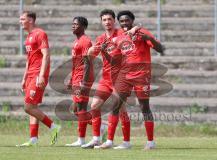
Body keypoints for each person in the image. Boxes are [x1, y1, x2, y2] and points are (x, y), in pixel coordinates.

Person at [98, 10, 164, 150]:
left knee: (144, 107)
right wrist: (104, 52)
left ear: (132, 20)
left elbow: (160, 49)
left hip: (142, 75)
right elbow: (114, 60)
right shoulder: (120, 37)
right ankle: (111, 141)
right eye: (121, 21)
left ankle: (151, 142)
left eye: (127, 20)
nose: (124, 23)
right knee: (115, 105)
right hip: (125, 75)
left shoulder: (142, 33)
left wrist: (149, 39)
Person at [81, 9, 137, 149]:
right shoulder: (100, 39)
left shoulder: (122, 34)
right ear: (101, 22)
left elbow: (129, 51)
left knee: (119, 108)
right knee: (94, 105)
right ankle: (96, 138)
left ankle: (121, 142)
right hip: (106, 79)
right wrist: (89, 52)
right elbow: (91, 57)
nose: (107, 22)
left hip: (121, 78)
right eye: (104, 20)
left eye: (110, 19)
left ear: (114, 21)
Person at [16, 11, 61, 147]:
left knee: (28, 107)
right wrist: (24, 78)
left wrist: (41, 75)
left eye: (22, 19)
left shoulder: (40, 33)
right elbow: (28, 60)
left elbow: (46, 55)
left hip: (37, 75)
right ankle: (33, 139)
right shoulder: (28, 37)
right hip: (30, 75)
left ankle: (54, 127)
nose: (20, 21)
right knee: (33, 107)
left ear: (31, 20)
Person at [64, 16, 94, 147]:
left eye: (76, 24)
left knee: (81, 108)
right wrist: (71, 79)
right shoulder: (77, 41)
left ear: (83, 26)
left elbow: (87, 63)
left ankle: (81, 140)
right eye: (72, 24)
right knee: (76, 110)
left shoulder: (85, 41)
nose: (73, 26)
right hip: (76, 77)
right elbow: (75, 63)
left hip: (83, 77)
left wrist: (84, 82)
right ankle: (100, 126)